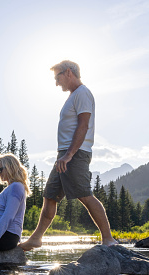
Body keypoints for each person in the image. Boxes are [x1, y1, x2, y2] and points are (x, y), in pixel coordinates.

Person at [19, 60, 118, 251]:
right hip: (64, 154)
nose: (57, 83)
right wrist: (63, 155)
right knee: (50, 196)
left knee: (84, 195)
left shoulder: (82, 93)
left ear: (68, 73)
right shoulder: (73, 96)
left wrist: (69, 155)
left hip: (75, 154)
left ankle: (108, 239)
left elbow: (83, 125)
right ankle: (36, 238)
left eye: (57, 77)